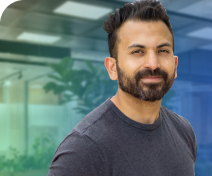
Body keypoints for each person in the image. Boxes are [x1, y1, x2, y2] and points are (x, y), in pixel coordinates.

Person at [47, 0, 197, 175]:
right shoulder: (83, 149)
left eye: (162, 51)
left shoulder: (183, 131)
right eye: (137, 51)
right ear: (112, 68)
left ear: (175, 64)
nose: (153, 63)